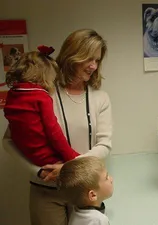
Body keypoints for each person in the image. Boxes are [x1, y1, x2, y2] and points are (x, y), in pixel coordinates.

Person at [2, 29, 112, 225]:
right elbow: (9, 141)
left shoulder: (100, 98)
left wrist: (69, 169)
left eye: (98, 60)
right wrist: (38, 171)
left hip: (86, 194)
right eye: (89, 59)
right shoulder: (40, 93)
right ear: (72, 56)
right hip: (46, 190)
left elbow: (104, 145)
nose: (94, 66)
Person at [4, 47, 80, 167]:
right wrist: (72, 157)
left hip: (29, 154)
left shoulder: (13, 95)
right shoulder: (40, 97)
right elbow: (53, 131)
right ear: (45, 75)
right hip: (48, 157)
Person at [57, 156, 113, 225]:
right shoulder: (99, 220)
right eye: (106, 177)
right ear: (92, 195)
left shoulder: (76, 211)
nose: (111, 179)